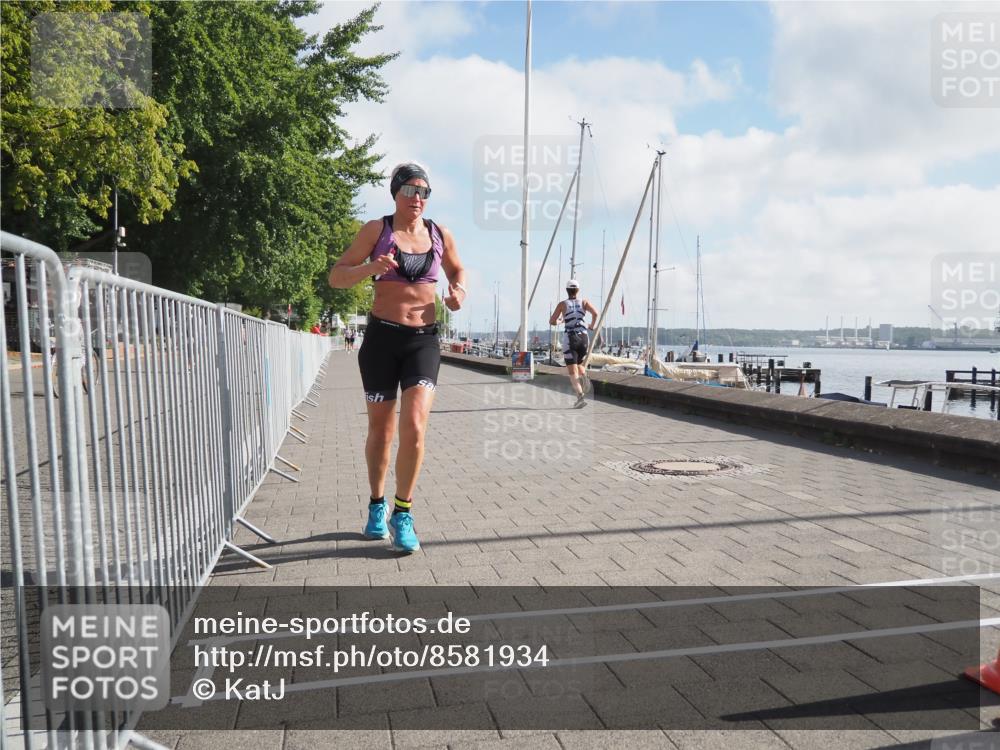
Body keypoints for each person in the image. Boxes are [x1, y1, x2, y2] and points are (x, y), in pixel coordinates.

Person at [328, 162, 466, 553]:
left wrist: (459, 294)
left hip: (422, 341)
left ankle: (402, 511)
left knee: (416, 426)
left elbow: (458, 272)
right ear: (395, 193)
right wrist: (372, 267)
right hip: (381, 342)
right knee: (382, 432)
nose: (418, 198)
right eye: (410, 191)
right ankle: (376, 504)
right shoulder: (377, 230)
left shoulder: (439, 234)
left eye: (424, 192)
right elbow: (336, 276)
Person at [549, 279, 598, 408]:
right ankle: (585, 377)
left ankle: (580, 397)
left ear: (567, 290)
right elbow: (595, 313)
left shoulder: (562, 304)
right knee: (579, 364)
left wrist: (560, 321)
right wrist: (591, 325)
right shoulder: (584, 302)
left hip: (571, 339)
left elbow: (552, 321)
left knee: (572, 371)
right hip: (584, 338)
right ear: (578, 290)